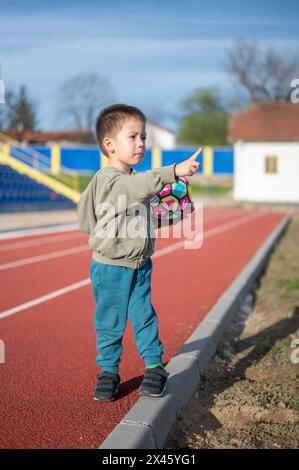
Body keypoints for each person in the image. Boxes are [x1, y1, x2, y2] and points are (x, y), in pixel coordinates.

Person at [77, 103, 201, 402]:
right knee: (110, 321)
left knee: (144, 316)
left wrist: (177, 214)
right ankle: (108, 371)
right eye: (132, 137)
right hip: (110, 268)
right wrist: (173, 171)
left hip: (140, 265)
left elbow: (144, 215)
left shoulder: (133, 181)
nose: (141, 143)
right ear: (109, 145)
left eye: (143, 137)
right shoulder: (108, 179)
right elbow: (91, 211)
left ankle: (155, 367)